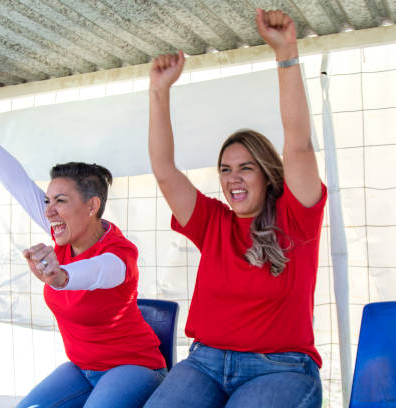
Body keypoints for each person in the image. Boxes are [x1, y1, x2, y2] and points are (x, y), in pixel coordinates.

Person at [144, 9, 325, 408]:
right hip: (205, 362)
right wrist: (159, 92)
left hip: (281, 368)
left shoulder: (298, 216)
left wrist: (286, 55)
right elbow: (163, 171)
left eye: (246, 168)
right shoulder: (213, 221)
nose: (233, 179)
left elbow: (297, 144)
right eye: (226, 170)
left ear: (268, 174)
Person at [0, 88, 167, 408]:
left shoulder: (119, 255)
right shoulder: (62, 232)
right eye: (48, 201)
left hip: (134, 367)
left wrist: (60, 275)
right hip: (82, 369)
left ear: (92, 205)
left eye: (60, 201)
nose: (49, 210)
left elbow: (97, 273)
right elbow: (16, 181)